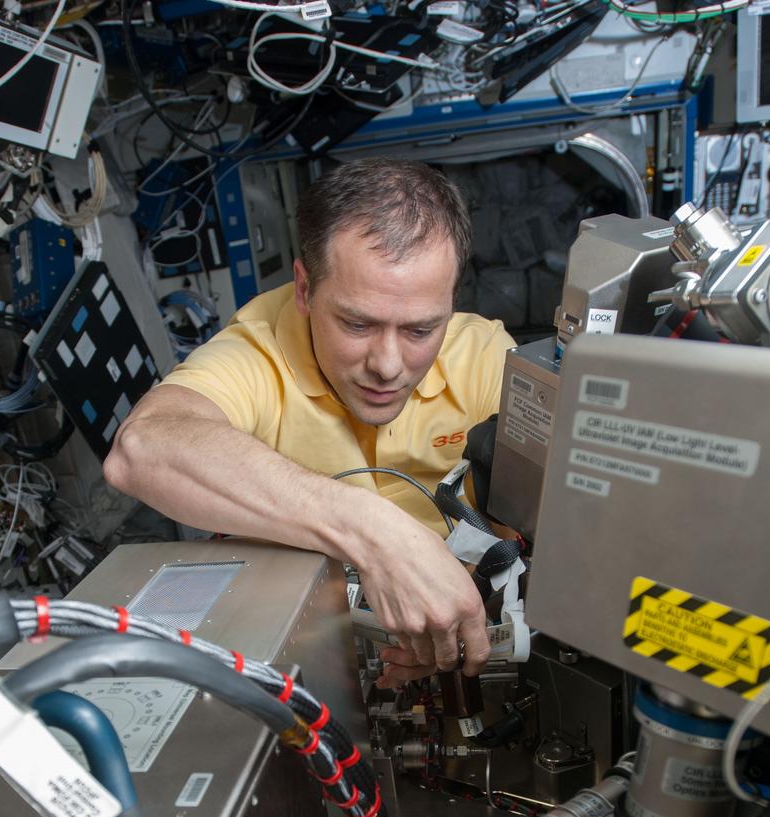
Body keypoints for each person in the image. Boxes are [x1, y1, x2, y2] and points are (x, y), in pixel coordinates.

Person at [104, 159, 513, 686]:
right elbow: (142, 449)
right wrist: (375, 535)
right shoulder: (258, 352)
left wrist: (475, 605)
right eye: (357, 323)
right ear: (303, 288)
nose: (388, 365)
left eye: (419, 329)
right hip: (297, 657)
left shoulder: (482, 357)